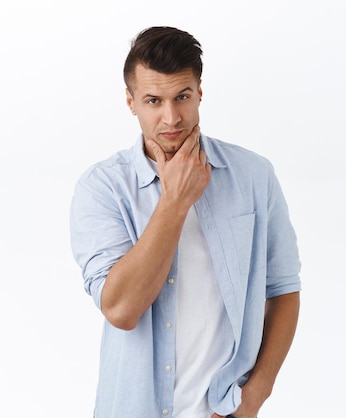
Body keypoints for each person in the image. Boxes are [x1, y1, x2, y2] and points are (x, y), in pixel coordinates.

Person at [70, 26, 301, 418]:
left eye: (182, 97)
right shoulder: (102, 188)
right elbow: (122, 310)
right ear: (130, 102)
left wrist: (253, 397)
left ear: (199, 92)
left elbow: (282, 290)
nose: (171, 117)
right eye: (153, 101)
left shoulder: (253, 176)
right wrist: (175, 201)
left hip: (223, 409)